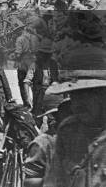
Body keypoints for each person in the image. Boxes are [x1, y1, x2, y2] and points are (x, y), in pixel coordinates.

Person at [42, 46, 106, 187]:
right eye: (73, 95)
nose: (77, 104)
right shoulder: (68, 131)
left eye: (87, 94)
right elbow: (53, 182)